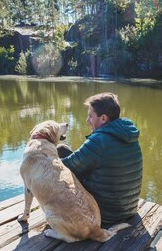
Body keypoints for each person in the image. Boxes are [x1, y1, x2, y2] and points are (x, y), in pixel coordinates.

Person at [59, 92, 143, 226]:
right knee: (64, 150)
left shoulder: (99, 141)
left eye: (90, 116)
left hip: (104, 215)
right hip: (128, 210)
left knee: (59, 154)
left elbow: (63, 167)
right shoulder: (128, 134)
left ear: (103, 118)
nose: (87, 120)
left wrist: (40, 157)